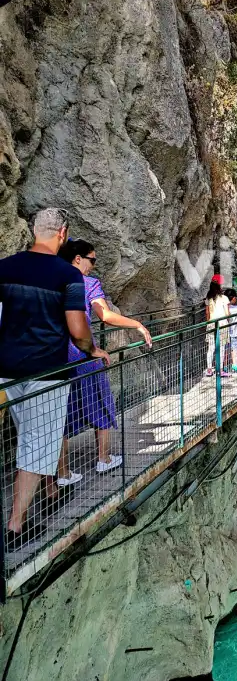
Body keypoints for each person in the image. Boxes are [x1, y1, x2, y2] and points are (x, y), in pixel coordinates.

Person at [0, 208, 110, 550]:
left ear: (35, 231)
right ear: (62, 233)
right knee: (38, 445)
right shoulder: (67, 275)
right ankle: (15, 527)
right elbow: (78, 330)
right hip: (47, 372)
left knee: (27, 439)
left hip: (7, 371)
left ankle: (50, 493)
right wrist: (92, 350)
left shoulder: (5, 267)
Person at [57, 239, 152, 484]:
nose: (93, 266)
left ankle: (64, 473)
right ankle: (104, 458)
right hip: (83, 354)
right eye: (92, 260)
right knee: (101, 400)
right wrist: (138, 325)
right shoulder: (88, 284)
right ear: (78, 259)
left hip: (56, 357)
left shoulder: (52, 282)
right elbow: (106, 315)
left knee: (60, 413)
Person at [204, 279, 230, 378]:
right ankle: (220, 370)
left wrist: (208, 322)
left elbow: (207, 313)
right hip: (222, 323)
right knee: (222, 347)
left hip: (211, 323)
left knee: (211, 347)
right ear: (219, 288)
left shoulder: (208, 299)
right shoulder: (224, 298)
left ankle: (209, 369)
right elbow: (227, 313)